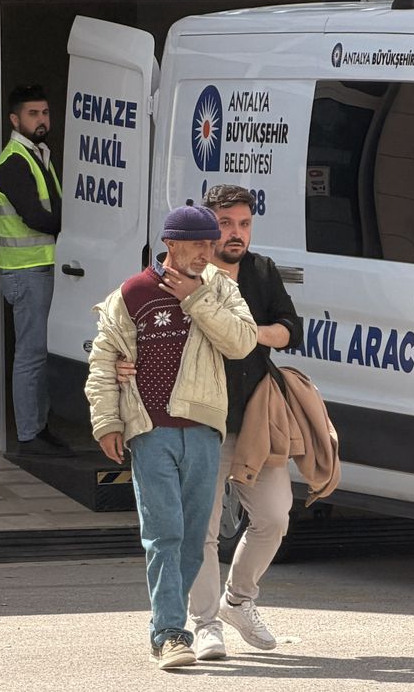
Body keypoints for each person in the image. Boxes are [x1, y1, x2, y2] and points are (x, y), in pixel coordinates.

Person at [118, 184, 302, 660]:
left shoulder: (257, 273)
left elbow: (287, 330)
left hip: (254, 419)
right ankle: (203, 625)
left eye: (244, 224)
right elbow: (132, 340)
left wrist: (244, 333)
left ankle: (238, 600)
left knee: (274, 516)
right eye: (224, 225)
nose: (234, 234)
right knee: (199, 529)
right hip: (198, 423)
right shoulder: (166, 282)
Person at [87, 203, 257, 670]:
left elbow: (242, 342)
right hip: (150, 431)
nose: (207, 251)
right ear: (171, 244)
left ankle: (174, 626)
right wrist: (107, 422)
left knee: (189, 538)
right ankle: (167, 634)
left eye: (211, 243)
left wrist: (195, 298)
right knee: (162, 533)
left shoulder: (221, 288)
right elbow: (104, 360)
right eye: (198, 243)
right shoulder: (132, 294)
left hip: (203, 430)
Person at [0, 84, 64, 454]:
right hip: (27, 272)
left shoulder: (40, 156)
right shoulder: (15, 161)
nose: (41, 120)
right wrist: (75, 227)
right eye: (33, 114)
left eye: (45, 113)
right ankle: (28, 434)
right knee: (31, 353)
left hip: (42, 269)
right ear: (14, 119)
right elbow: (37, 217)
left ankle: (40, 427)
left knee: (40, 352)